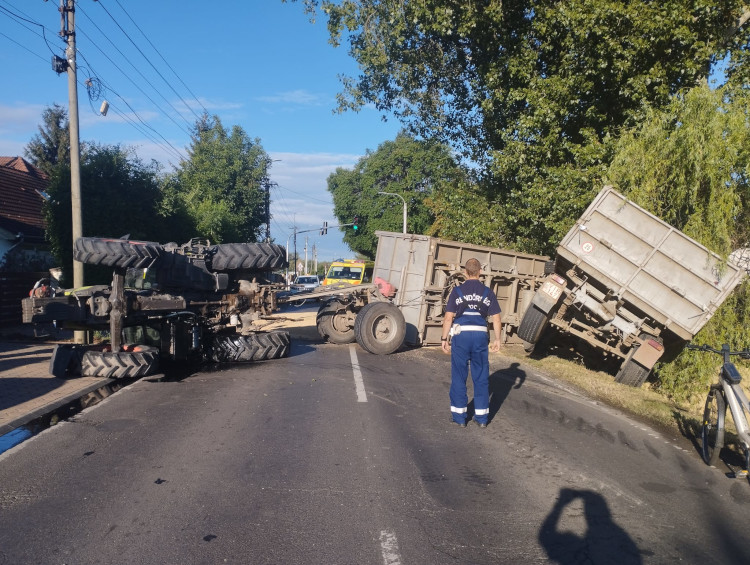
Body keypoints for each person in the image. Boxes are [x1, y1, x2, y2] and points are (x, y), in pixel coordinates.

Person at [440, 258, 502, 428]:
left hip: (461, 336)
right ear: (480, 272)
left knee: (459, 376)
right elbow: (496, 319)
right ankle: (482, 419)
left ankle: (460, 417)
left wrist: (444, 339)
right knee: (481, 376)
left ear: (465, 272)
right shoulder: (487, 292)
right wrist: (497, 339)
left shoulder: (457, 291)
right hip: (480, 337)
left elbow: (448, 318)